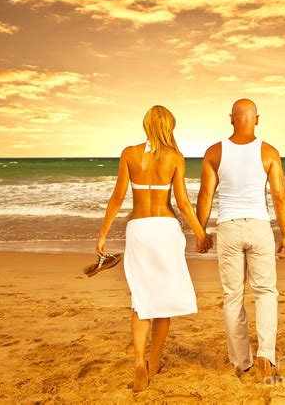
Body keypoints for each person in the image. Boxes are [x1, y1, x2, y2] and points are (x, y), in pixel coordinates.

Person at [96, 105, 212, 392]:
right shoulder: (175, 157)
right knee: (163, 299)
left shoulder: (129, 153)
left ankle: (138, 361)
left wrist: (102, 235)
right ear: (169, 127)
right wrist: (201, 234)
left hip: (139, 230)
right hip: (165, 230)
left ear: (147, 125)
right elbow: (183, 203)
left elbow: (117, 196)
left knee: (142, 297)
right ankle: (155, 361)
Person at [196, 98, 285, 383]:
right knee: (265, 293)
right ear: (257, 119)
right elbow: (279, 197)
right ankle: (266, 355)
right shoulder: (269, 152)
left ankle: (243, 361)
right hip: (259, 227)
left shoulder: (214, 152)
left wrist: (201, 233)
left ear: (231, 118)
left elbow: (205, 196)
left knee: (233, 295)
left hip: (228, 228)